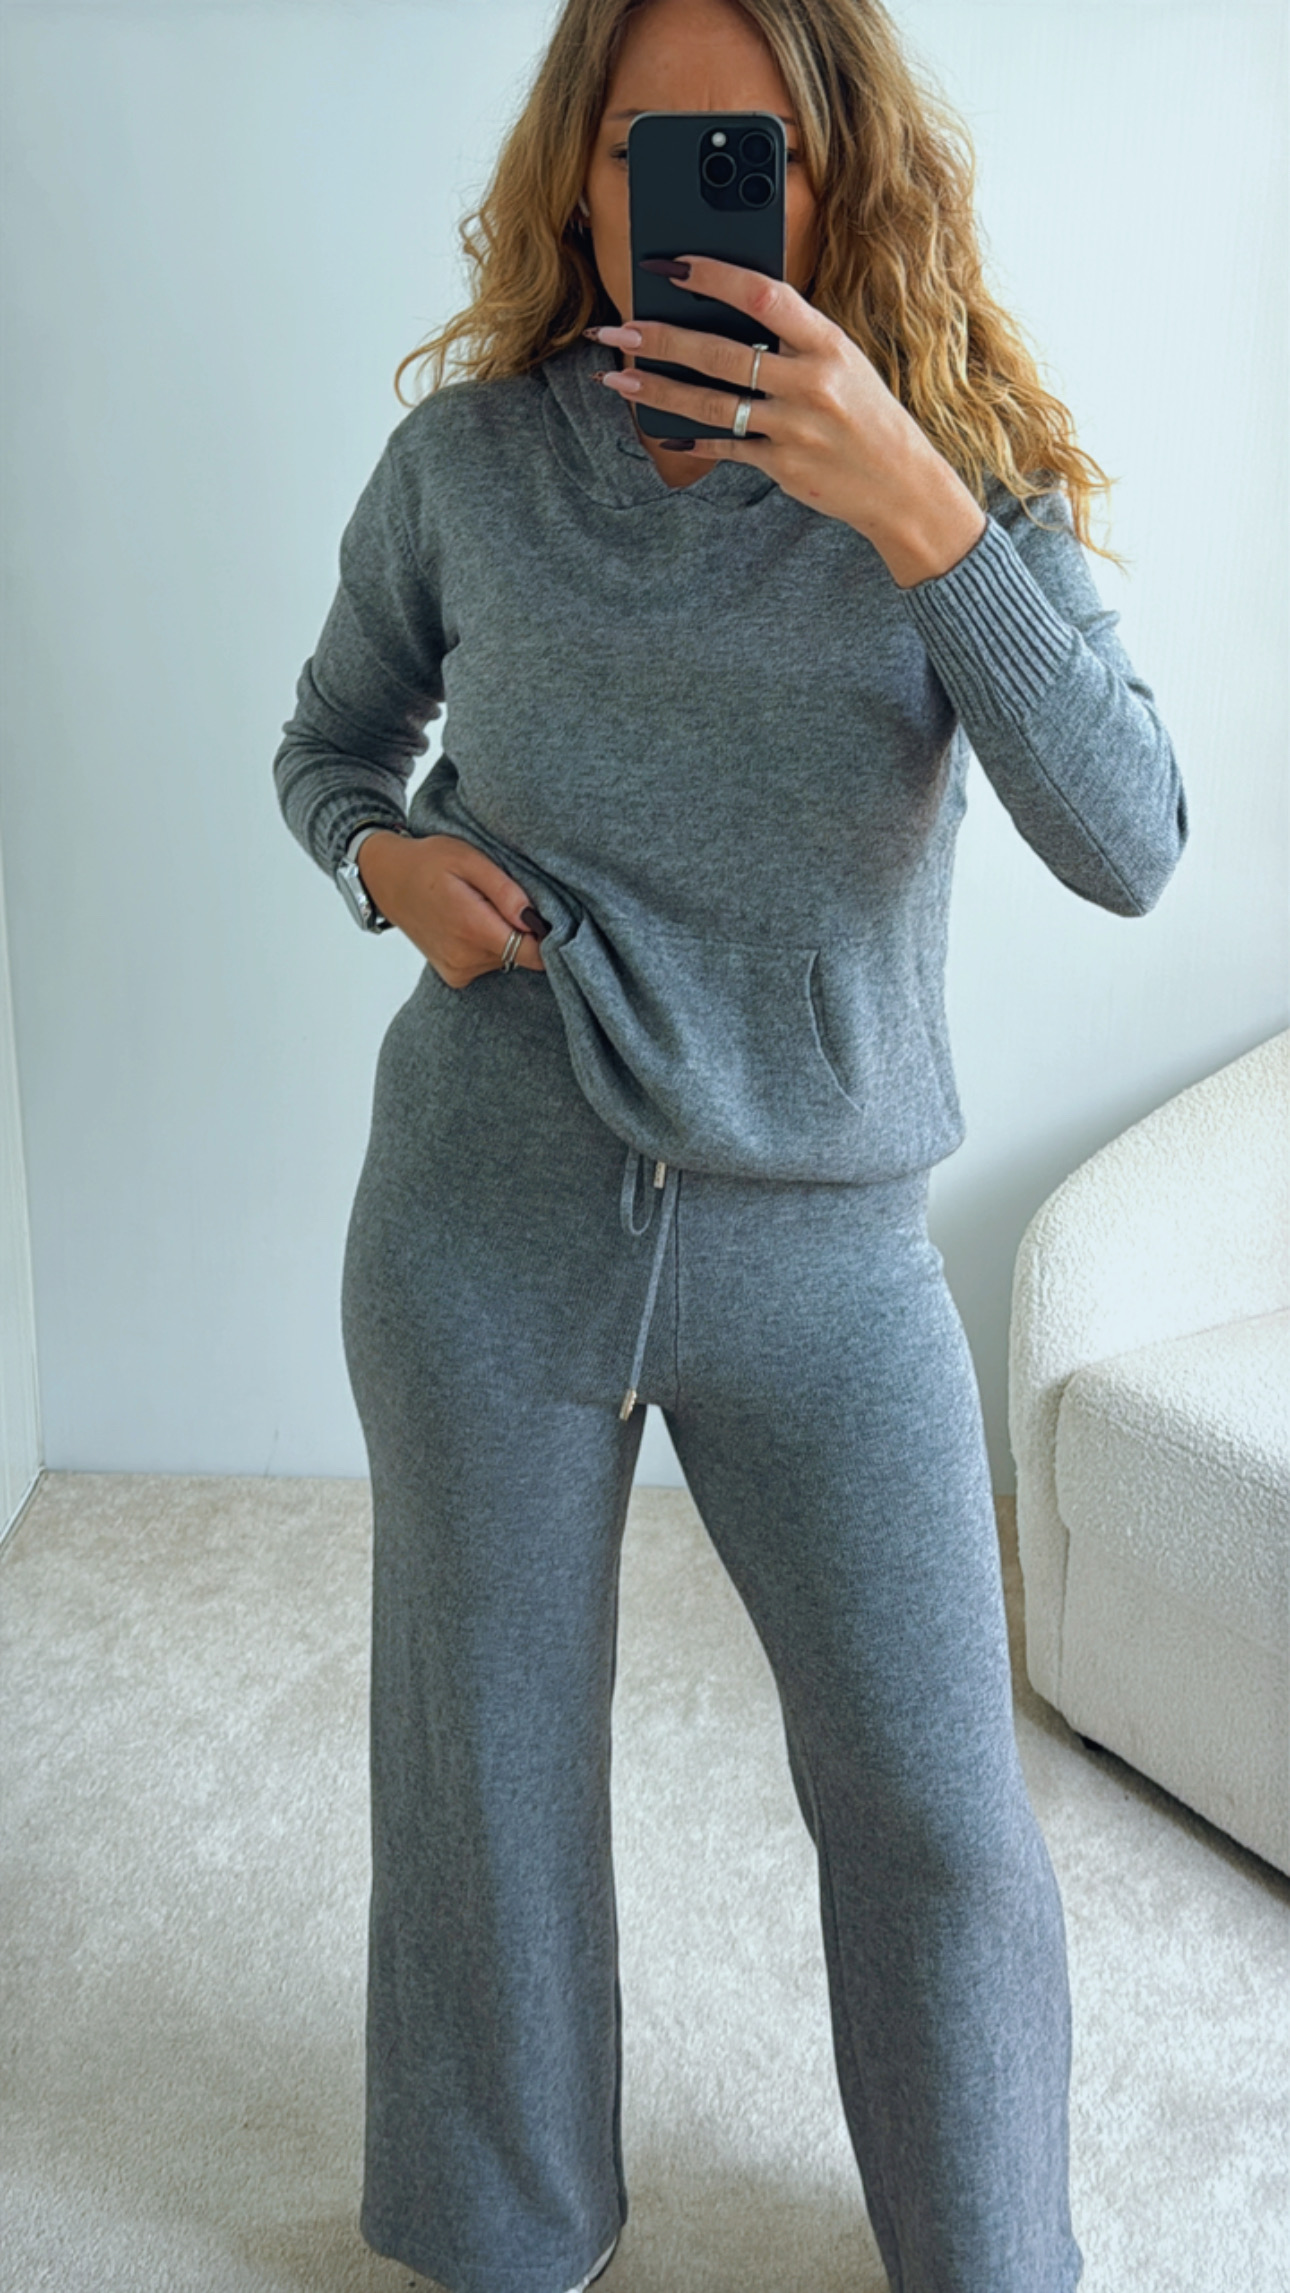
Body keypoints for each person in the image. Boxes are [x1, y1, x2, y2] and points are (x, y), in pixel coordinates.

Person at [272, 1, 1188, 2286]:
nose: (692, 199)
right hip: (484, 1212)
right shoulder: (470, 467)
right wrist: (386, 861)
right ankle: (502, 2235)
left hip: (825, 1255)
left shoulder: (957, 479)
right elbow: (329, 745)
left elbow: (1133, 843)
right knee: (485, 1793)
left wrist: (916, 508)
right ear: (577, 181)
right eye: (643, 151)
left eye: (750, 152)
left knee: (937, 1813)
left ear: (834, 172)